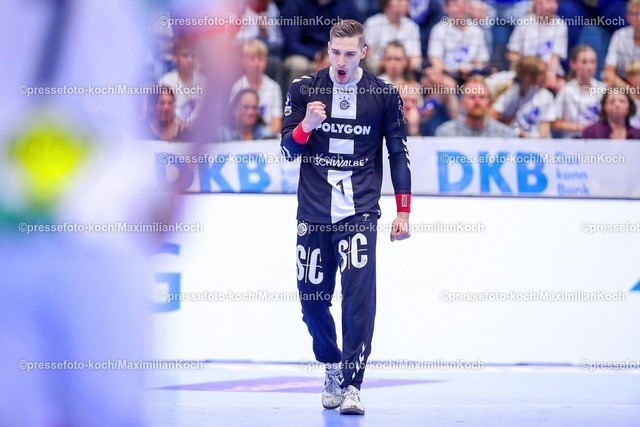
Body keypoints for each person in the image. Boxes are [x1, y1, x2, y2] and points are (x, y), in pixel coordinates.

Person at [280, 19, 411, 416]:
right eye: (336, 52)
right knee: (311, 299)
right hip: (314, 211)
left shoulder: (383, 94)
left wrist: (403, 211)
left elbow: (398, 153)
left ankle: (353, 384)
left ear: (363, 54)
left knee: (358, 297)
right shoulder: (304, 89)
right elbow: (287, 150)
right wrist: (306, 126)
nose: (341, 61)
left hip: (359, 211)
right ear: (328, 50)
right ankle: (332, 366)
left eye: (350, 54)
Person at [506, 0, 567, 93]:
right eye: (549, 2)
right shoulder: (524, 22)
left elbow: (555, 57)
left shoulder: (560, 25)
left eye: (556, 2)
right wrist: (525, 68)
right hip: (526, 70)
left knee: (562, 87)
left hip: (548, 72)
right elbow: (512, 54)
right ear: (537, 3)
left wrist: (549, 75)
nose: (553, 6)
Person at [488, 55, 556, 138]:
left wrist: (525, 135)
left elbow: (544, 135)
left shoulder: (543, 95)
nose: (546, 76)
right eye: (542, 74)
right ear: (530, 77)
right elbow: (491, 117)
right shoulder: (511, 90)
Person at [230, 39, 283, 136]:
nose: (257, 64)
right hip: (242, 135)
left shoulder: (274, 87)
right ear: (244, 62)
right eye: (252, 59)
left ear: (266, 62)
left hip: (267, 136)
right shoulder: (238, 87)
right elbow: (233, 120)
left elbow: (277, 123)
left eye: (261, 59)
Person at [428, 0, 490, 83]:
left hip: (472, 76)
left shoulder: (477, 31)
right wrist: (455, 70)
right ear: (445, 7)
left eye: (464, 3)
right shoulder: (439, 29)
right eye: (456, 4)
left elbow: (482, 61)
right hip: (447, 75)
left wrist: (471, 69)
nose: (461, 7)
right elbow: (435, 60)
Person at [552, 45, 604, 138]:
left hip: (598, 140)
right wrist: (582, 128)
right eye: (584, 62)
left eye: (592, 62)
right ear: (573, 64)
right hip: (573, 141)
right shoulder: (566, 91)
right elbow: (555, 123)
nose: (589, 66)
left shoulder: (602, 89)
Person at [436, 75, 513, 137]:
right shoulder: (446, 133)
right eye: (472, 97)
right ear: (462, 102)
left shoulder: (504, 135)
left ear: (489, 101)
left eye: (482, 97)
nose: (477, 101)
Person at [364, 0, 422, 73]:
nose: (405, 3)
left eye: (407, 1)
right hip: (378, 71)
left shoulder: (412, 26)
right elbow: (369, 54)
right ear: (386, 3)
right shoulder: (372, 23)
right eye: (399, 1)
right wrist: (388, 66)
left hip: (405, 72)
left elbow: (416, 57)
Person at [158, 38, 207, 124]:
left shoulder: (204, 83)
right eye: (185, 55)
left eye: (193, 56)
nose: (190, 60)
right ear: (175, 58)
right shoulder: (165, 81)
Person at [604, 0, 640, 89]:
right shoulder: (620, 35)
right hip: (623, 86)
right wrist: (630, 91)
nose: (639, 18)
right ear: (628, 17)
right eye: (636, 14)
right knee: (607, 85)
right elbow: (608, 73)